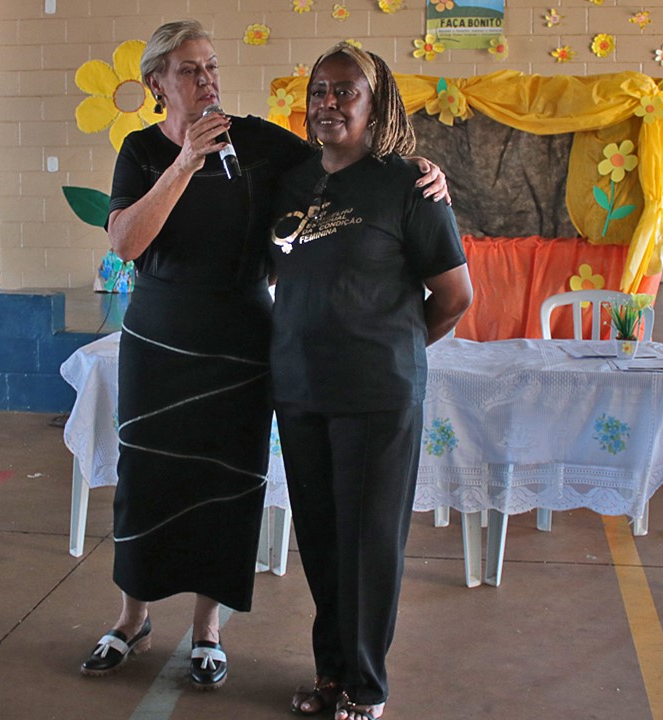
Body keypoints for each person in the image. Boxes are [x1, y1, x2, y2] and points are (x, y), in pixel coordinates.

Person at [81, 21, 449, 691]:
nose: (207, 80)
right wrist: (185, 162)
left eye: (212, 67)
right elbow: (126, 243)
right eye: (190, 70)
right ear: (157, 83)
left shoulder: (255, 143)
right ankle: (133, 617)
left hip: (244, 341)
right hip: (160, 338)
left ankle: (207, 631)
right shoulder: (140, 151)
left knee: (228, 485)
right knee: (147, 482)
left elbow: (342, 159)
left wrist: (419, 170)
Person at [268, 43, 473, 720]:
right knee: (324, 540)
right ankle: (331, 674)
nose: (328, 103)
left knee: (368, 544)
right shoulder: (293, 179)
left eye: (345, 91)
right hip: (300, 389)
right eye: (319, 90)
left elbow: (454, 296)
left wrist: (397, 347)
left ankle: (366, 686)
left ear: (376, 103)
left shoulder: (407, 185)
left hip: (376, 394)